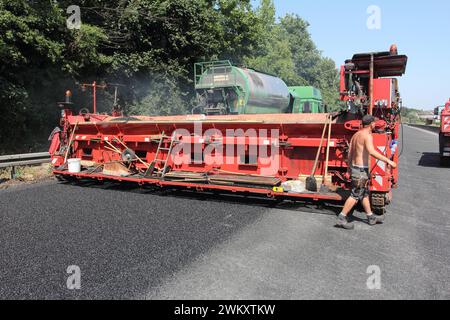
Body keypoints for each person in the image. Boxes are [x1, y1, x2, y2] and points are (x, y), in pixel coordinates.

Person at [337, 115, 397, 230]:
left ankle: (371, 217)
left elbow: (350, 153)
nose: (375, 125)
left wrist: (349, 168)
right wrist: (389, 161)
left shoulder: (356, 135)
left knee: (364, 194)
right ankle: (341, 217)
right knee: (355, 195)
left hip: (356, 168)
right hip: (360, 170)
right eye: (374, 123)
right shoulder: (367, 135)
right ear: (371, 124)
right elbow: (371, 151)